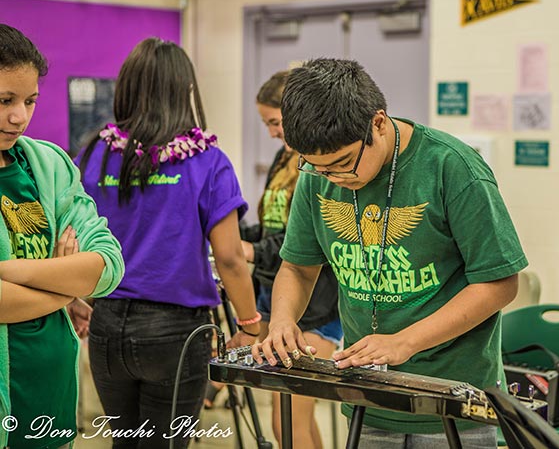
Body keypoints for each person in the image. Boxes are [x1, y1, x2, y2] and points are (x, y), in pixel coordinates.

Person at [252, 58, 528, 447]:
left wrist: (405, 341)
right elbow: (298, 267)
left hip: (450, 399)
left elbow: (499, 283)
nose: (334, 179)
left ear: (378, 123)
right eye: (318, 168)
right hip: (368, 393)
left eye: (343, 164)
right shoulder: (316, 177)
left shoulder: (452, 167)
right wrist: (282, 321)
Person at [77, 38, 260, 449]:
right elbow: (229, 257)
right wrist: (250, 325)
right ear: (185, 91)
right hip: (176, 332)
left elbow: (71, 240)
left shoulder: (95, 156)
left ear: (125, 88)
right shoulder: (208, 161)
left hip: (105, 324)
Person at [0, 23, 124, 449]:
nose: (20, 116)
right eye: (4, 100)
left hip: (51, 400)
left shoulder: (48, 164)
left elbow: (107, 264)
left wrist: (14, 271)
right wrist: (61, 283)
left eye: (30, 100)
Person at [209, 70, 341, 448]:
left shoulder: (320, 164)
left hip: (316, 306)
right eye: (266, 123)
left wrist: (247, 252)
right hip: (274, 297)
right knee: (292, 420)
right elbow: (269, 228)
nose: (271, 133)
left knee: (288, 422)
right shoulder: (283, 160)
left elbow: (307, 240)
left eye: (275, 123)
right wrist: (227, 235)